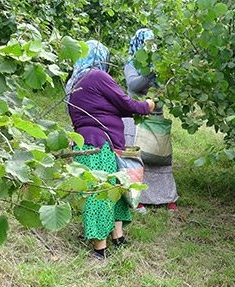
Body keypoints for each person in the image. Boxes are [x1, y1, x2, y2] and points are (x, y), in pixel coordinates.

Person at [65, 39, 156, 259]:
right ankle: (100, 249)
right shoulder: (97, 76)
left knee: (113, 188)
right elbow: (125, 103)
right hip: (99, 144)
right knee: (102, 192)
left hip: (87, 144)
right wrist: (148, 105)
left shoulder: (75, 82)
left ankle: (118, 236)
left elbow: (107, 108)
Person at [122, 28, 179, 213]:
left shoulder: (161, 65)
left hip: (157, 118)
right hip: (137, 118)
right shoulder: (131, 65)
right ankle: (138, 200)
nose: (150, 47)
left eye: (152, 43)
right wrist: (149, 74)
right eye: (146, 43)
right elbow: (133, 85)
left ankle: (168, 197)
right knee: (138, 158)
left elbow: (168, 89)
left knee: (161, 157)